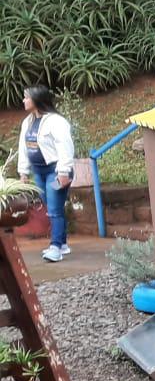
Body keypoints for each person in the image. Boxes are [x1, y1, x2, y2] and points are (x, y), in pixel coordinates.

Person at [16, 85, 75, 263]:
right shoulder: (27, 122)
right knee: (51, 207)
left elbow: (65, 146)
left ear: (37, 99)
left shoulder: (56, 121)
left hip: (55, 170)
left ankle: (55, 247)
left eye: (27, 97)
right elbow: (23, 147)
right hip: (38, 171)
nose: (24, 101)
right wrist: (23, 172)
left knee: (55, 210)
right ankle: (63, 244)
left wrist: (63, 171)